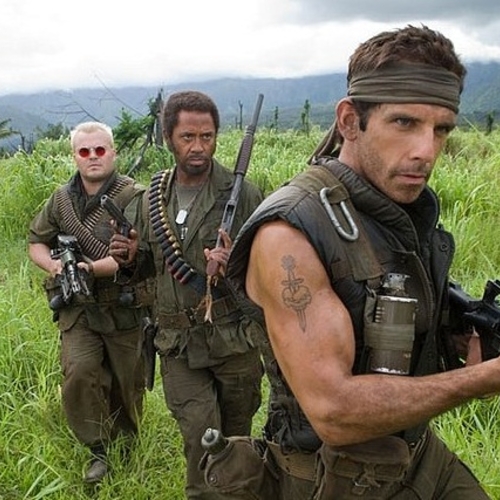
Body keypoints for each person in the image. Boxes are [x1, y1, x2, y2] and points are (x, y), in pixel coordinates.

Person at [201, 25, 496, 499]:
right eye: (404, 123)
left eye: (441, 129)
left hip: (416, 453)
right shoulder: (290, 235)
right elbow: (332, 410)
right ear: (349, 121)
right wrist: (479, 380)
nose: (426, 151)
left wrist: (459, 335)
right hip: (331, 477)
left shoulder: (398, 208)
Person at [109, 90, 265, 499]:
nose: (198, 147)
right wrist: (129, 259)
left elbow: (272, 270)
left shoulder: (243, 194)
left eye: (207, 137)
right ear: (168, 139)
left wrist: (235, 264)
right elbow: (146, 270)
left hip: (234, 339)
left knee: (236, 439)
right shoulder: (150, 199)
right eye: (188, 137)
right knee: (201, 434)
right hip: (177, 342)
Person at [28, 121, 153, 484]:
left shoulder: (134, 197)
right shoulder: (61, 199)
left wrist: (92, 268)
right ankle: (98, 449)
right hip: (78, 306)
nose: (93, 157)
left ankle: (128, 443)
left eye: (100, 150)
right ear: (75, 156)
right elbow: (36, 241)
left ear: (113, 153)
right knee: (80, 372)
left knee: (127, 382)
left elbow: (139, 254)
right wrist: (56, 266)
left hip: (123, 305)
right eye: (85, 151)